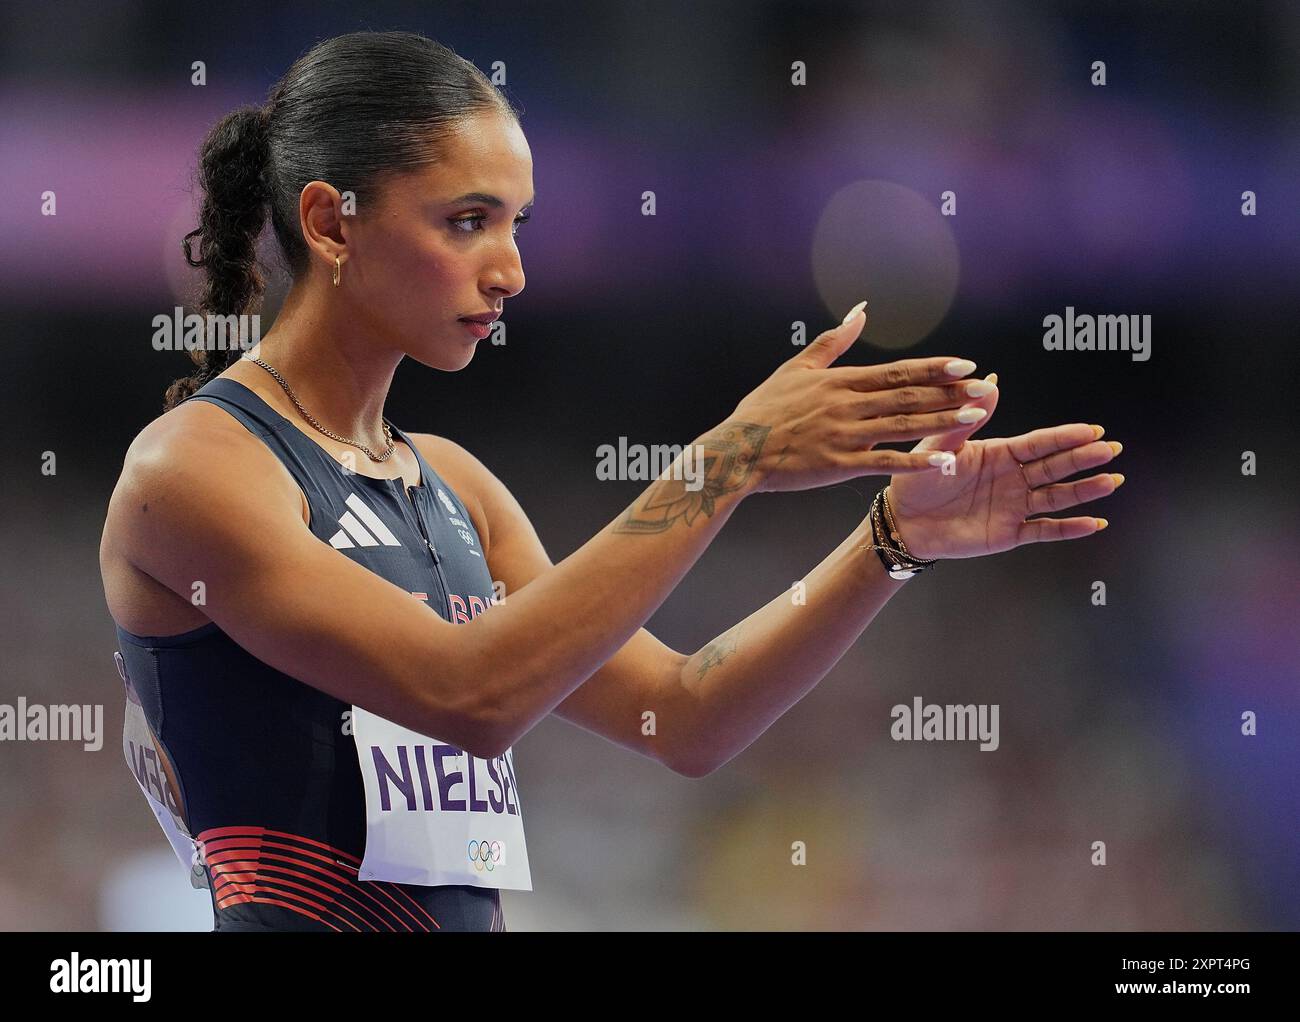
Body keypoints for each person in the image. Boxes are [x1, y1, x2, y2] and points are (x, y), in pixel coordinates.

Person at [98, 30, 1122, 932]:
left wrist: (888, 540)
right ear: (331, 222)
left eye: (517, 225)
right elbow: (470, 693)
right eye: (466, 221)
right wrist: (726, 460)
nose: (510, 270)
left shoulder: (453, 484)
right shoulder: (193, 468)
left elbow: (679, 716)